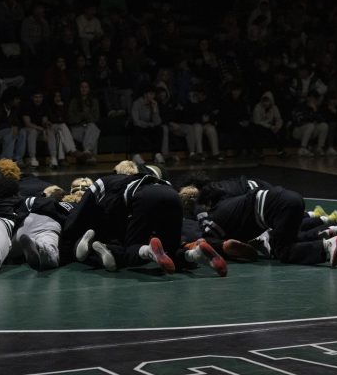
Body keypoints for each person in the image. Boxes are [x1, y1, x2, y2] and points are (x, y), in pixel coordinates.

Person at [64, 172, 227, 276]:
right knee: (171, 250)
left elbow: (80, 214)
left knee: (132, 248)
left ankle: (148, 251)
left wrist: (67, 235)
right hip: (172, 196)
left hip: (145, 197)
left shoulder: (100, 184)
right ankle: (195, 254)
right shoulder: (151, 180)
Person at [196, 186, 337, 268]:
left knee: (283, 252)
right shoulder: (231, 200)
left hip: (277, 207)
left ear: (208, 204)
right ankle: (334, 230)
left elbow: (208, 236)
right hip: (290, 197)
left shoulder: (215, 214)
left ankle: (326, 246)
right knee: (288, 239)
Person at [0, 88, 27, 166]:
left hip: (7, 134)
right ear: (10, 99)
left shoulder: (14, 109)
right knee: (10, 132)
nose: (19, 101)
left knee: (22, 132)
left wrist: (15, 126)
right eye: (17, 99)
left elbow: (17, 123)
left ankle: (18, 159)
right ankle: (6, 161)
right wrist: (11, 126)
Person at [21, 89, 56, 168]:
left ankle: (53, 158)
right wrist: (40, 128)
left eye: (40, 97)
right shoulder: (27, 106)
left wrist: (47, 124)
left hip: (39, 130)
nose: (38, 99)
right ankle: (32, 158)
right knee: (33, 131)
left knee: (50, 131)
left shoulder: (44, 106)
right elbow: (27, 123)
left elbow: (44, 121)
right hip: (27, 129)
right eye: (36, 97)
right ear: (32, 98)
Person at [130, 85, 165, 165]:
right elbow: (136, 121)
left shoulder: (154, 104)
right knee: (136, 129)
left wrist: (155, 110)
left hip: (149, 127)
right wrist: (148, 124)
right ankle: (136, 155)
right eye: (151, 94)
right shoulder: (137, 103)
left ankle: (157, 154)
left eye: (153, 94)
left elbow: (158, 122)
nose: (153, 96)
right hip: (139, 126)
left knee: (159, 129)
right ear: (145, 94)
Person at [67, 81, 100, 162]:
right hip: (77, 128)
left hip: (89, 127)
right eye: (82, 87)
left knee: (92, 127)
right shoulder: (74, 101)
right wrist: (82, 116)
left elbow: (96, 117)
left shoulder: (94, 101)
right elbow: (70, 118)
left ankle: (87, 152)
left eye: (86, 87)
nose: (84, 89)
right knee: (94, 133)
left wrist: (87, 116)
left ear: (89, 89)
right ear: (79, 89)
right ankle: (90, 156)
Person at [291, 91, 328, 156]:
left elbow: (322, 120)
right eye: (312, 98)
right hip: (298, 131)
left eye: (315, 98)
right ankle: (302, 148)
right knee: (311, 125)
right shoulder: (301, 106)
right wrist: (312, 117)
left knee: (324, 126)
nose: (313, 100)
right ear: (308, 98)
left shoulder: (315, 108)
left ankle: (319, 148)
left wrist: (315, 110)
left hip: (310, 131)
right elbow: (300, 121)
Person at [251, 91, 285, 156]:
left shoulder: (274, 107)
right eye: (264, 101)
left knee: (281, 130)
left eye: (267, 101)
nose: (265, 103)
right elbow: (257, 121)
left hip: (271, 127)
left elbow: (279, 119)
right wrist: (270, 126)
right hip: (260, 126)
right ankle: (259, 151)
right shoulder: (257, 107)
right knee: (258, 129)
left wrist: (277, 127)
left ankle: (280, 151)